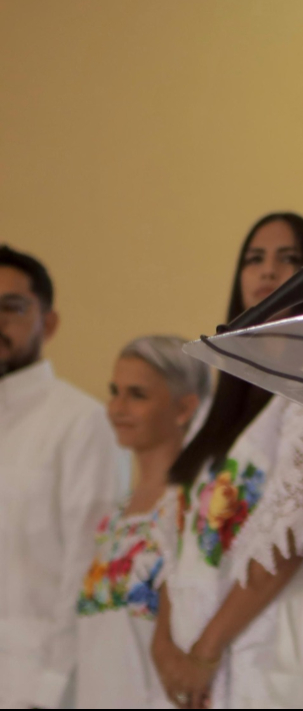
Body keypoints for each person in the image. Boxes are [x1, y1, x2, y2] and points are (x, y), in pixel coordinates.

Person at [152, 213, 303, 709]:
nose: (267, 272)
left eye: (287, 258)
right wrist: (164, 644)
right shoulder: (217, 402)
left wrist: (206, 652)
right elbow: (177, 532)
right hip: (188, 660)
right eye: (254, 260)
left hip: (260, 651)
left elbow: (286, 541)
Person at [0, 245, 123, 708]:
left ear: (48, 323)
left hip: (39, 686)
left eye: (12, 307)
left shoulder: (79, 422)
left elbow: (86, 566)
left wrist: (49, 690)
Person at [75, 336, 212, 708]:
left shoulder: (196, 506)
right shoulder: (114, 516)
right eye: (114, 391)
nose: (117, 407)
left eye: (137, 394)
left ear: (184, 408)